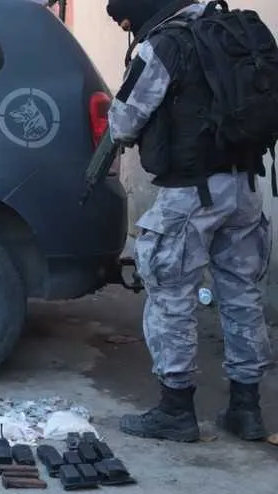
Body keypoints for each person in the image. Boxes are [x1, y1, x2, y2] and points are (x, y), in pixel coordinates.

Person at [105, 0, 274, 442]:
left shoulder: (166, 45)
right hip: (244, 187)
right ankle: (246, 410)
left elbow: (124, 122)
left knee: (171, 295)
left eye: (125, 22)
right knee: (241, 295)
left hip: (191, 193)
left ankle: (175, 410)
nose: (127, 30)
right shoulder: (230, 33)